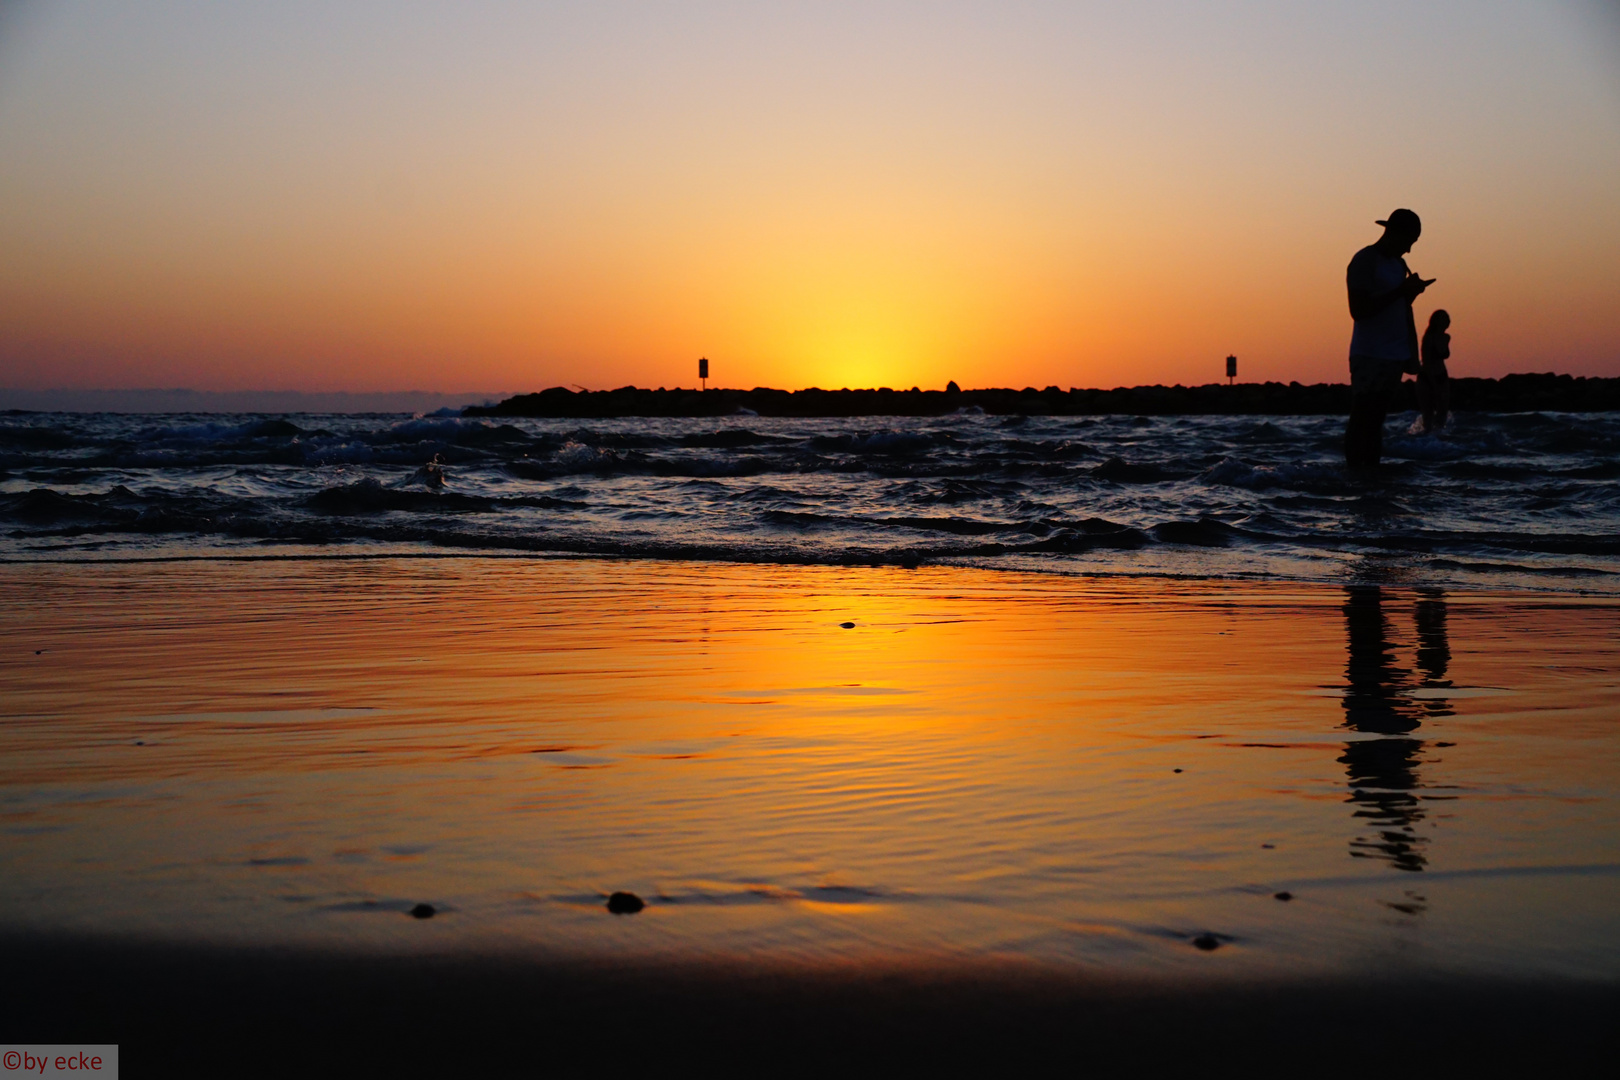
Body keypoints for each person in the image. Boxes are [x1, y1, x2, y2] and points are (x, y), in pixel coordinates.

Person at [1344, 208, 1433, 467]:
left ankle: (1371, 474)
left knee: (1377, 420)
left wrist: (1410, 354)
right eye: (1408, 242)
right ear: (1392, 233)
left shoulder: (1399, 265)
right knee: (1363, 417)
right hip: (1370, 352)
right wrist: (1400, 291)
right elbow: (1358, 310)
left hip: (1395, 353)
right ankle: (1356, 473)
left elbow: (1402, 308)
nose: (1409, 250)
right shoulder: (1365, 260)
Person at [1417, 309, 1451, 434]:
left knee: (1442, 414)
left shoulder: (1446, 337)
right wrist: (1432, 382)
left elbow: (1443, 352)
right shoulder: (1428, 338)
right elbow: (1426, 360)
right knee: (1428, 415)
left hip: (1441, 375)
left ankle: (1439, 438)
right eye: (1443, 318)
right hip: (1426, 377)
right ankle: (1427, 439)